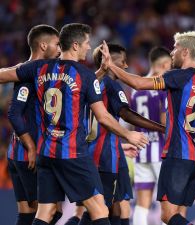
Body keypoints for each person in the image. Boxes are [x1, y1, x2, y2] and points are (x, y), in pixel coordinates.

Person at [0, 23, 148, 225]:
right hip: (73, 153)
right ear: (76, 45)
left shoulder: (39, 68)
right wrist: (128, 134)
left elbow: (5, 74)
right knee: (99, 208)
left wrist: (102, 71)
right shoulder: (84, 75)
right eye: (87, 43)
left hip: (46, 153)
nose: (89, 47)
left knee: (46, 212)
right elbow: (103, 117)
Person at [100, 31, 195, 225]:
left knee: (167, 215)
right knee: (178, 214)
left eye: (175, 48)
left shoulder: (178, 76)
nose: (172, 52)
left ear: (185, 52)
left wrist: (110, 65)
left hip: (177, 154)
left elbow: (138, 83)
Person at [76, 43, 165, 225]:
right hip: (105, 157)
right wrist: (161, 128)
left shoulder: (87, 82)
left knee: (100, 208)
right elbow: (126, 114)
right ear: (111, 61)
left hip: (88, 153)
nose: (125, 66)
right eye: (122, 62)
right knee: (101, 210)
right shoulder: (112, 85)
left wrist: (121, 145)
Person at [7, 24, 62, 225]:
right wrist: (30, 146)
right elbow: (14, 113)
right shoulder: (31, 74)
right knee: (51, 211)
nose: (59, 49)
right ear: (43, 45)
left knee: (27, 213)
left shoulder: (37, 71)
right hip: (27, 154)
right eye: (57, 44)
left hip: (16, 154)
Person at [131, 46, 170, 225]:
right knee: (167, 200)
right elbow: (164, 120)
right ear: (162, 64)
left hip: (141, 150)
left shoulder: (136, 89)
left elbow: (132, 121)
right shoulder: (162, 87)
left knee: (142, 202)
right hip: (160, 151)